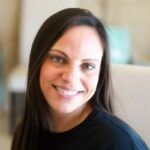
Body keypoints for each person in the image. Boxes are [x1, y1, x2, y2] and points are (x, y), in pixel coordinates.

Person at [11, 8, 149, 150]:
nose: (71, 78)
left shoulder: (120, 144)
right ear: (37, 61)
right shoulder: (26, 132)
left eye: (88, 66)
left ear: (100, 75)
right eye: (58, 59)